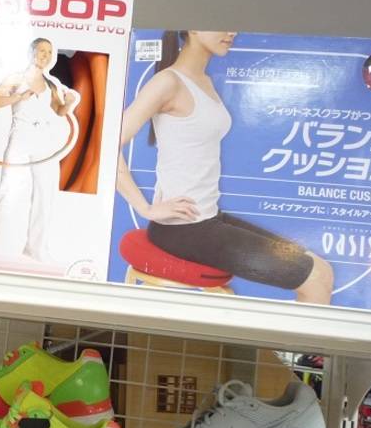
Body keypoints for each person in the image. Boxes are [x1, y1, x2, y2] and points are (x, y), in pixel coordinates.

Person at [117, 30, 333, 304]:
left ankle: (294, 336)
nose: (231, 31)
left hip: (209, 219)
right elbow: (108, 143)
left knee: (320, 268)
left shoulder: (204, 81)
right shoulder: (168, 82)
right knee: (314, 278)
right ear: (192, 27)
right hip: (183, 231)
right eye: (220, 23)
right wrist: (145, 208)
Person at [0, 38, 79, 266]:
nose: (45, 55)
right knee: (7, 191)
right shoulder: (16, 78)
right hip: (20, 137)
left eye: (49, 52)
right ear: (31, 52)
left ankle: (36, 248)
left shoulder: (52, 83)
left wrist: (70, 102)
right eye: (41, 50)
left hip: (44, 140)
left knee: (46, 194)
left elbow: (59, 111)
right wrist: (18, 96)